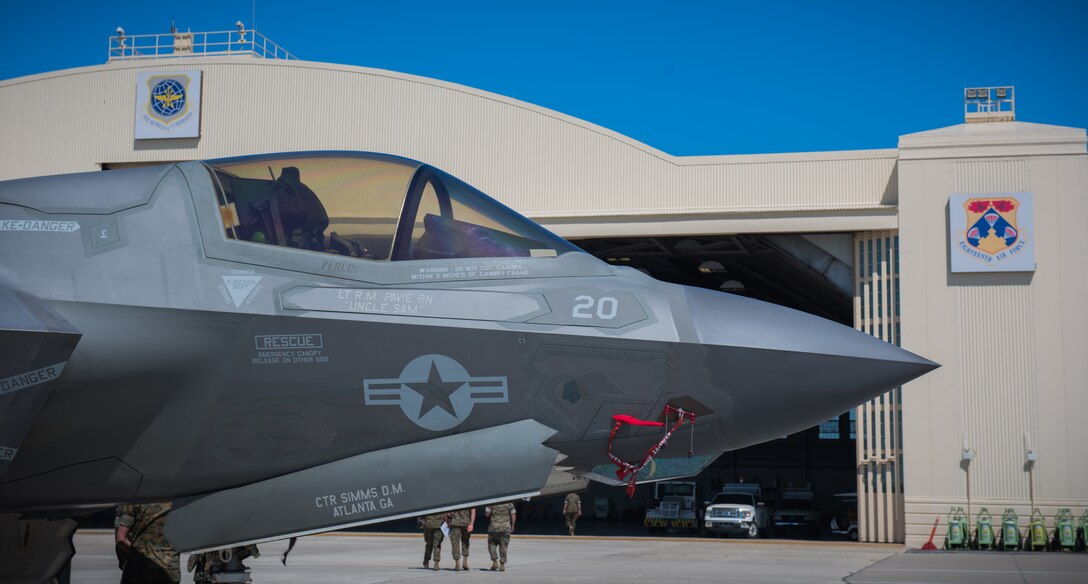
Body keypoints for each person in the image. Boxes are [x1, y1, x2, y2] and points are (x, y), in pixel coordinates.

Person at [114, 502, 180, 584]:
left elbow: (121, 538)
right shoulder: (178, 502)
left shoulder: (136, 502)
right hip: (169, 570)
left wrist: (137, 552)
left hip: (140, 569)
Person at [485, 502, 516, 571]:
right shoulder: (510, 503)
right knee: (503, 546)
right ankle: (502, 564)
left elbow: (487, 514)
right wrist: (513, 526)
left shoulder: (491, 502)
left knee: (492, 544)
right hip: (506, 527)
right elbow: (513, 516)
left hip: (494, 527)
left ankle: (495, 561)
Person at [447, 507, 476, 571]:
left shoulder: (452, 498)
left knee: (455, 544)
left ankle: (457, 563)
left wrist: (448, 524)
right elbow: (473, 513)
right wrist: (471, 524)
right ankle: (465, 561)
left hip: (455, 523)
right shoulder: (470, 499)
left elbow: (448, 513)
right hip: (466, 524)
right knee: (465, 542)